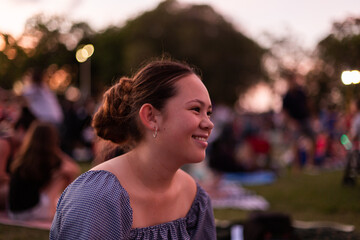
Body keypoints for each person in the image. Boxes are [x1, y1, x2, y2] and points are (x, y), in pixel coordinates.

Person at [50, 59, 217, 239]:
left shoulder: (194, 199)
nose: (209, 124)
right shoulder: (97, 198)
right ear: (151, 117)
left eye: (208, 112)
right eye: (195, 109)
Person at [8, 121, 80, 221]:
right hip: (31, 213)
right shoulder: (48, 159)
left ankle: (65, 207)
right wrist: (57, 151)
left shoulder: (25, 157)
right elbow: (74, 169)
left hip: (14, 212)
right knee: (64, 176)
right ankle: (71, 207)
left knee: (60, 174)